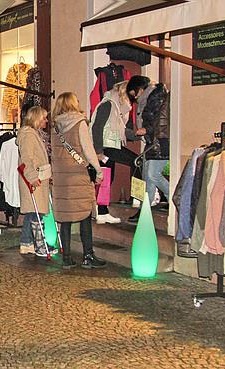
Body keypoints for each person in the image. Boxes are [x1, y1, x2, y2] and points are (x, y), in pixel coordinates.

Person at [50, 92, 107, 269]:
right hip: (77, 175)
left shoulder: (55, 126)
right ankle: (88, 255)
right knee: (84, 216)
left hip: (61, 177)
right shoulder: (79, 123)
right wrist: (98, 170)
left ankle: (66, 256)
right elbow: (88, 149)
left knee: (65, 217)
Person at [90, 80, 144, 224]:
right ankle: (137, 198)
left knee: (107, 178)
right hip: (107, 146)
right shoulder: (108, 105)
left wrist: (137, 134)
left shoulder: (116, 108)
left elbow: (120, 130)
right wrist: (98, 151)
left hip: (112, 145)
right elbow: (97, 127)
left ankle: (102, 211)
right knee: (136, 161)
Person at [126, 76, 170, 223]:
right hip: (153, 141)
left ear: (140, 88)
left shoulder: (154, 98)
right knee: (148, 178)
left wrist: (146, 130)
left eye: (134, 93)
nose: (134, 97)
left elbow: (160, 121)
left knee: (152, 176)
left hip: (159, 142)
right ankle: (145, 210)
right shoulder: (152, 97)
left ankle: (176, 200)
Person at [17, 106, 51, 256]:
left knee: (33, 212)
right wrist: (32, 177)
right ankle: (38, 244)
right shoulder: (28, 135)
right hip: (33, 178)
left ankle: (26, 242)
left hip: (37, 177)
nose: (46, 121)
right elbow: (27, 158)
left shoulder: (33, 134)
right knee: (35, 212)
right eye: (44, 118)